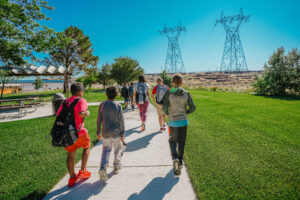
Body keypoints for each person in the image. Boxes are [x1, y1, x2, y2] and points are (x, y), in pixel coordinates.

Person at [57, 82, 91, 187]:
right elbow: (82, 113)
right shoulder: (81, 100)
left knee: (71, 154)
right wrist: (87, 113)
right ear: (80, 92)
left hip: (68, 133)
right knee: (86, 147)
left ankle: (72, 178)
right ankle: (83, 171)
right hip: (79, 132)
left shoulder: (65, 102)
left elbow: (58, 116)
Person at [162, 74, 196, 176]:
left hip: (173, 122)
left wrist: (168, 113)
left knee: (172, 140)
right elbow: (193, 107)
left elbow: (164, 107)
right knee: (181, 142)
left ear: (172, 83)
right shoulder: (187, 93)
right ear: (182, 83)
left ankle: (175, 158)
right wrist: (186, 112)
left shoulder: (169, 93)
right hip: (183, 122)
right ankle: (180, 162)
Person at [97, 86, 125, 181]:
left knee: (106, 150)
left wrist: (98, 132)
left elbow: (99, 120)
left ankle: (103, 167)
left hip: (105, 132)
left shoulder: (102, 105)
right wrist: (122, 133)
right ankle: (116, 167)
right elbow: (121, 121)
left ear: (106, 94)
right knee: (117, 149)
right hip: (116, 133)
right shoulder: (118, 105)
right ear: (117, 95)